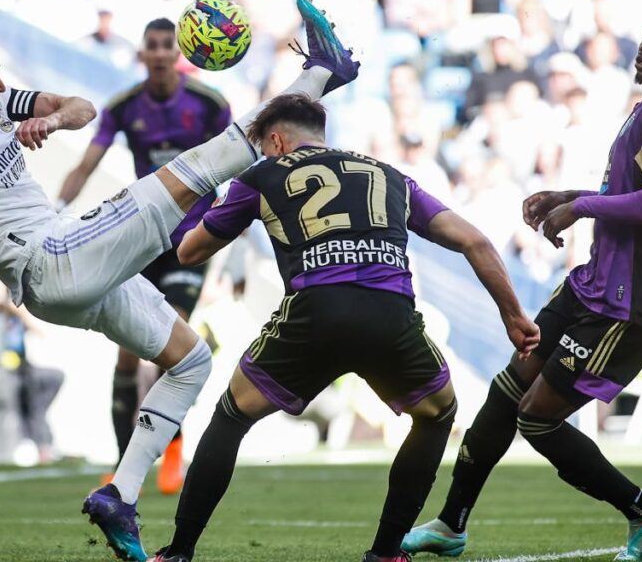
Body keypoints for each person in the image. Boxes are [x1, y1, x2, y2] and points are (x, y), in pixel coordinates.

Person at [0, 0, 359, 562]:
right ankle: (320, 73)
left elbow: (81, 107)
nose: (0, 85)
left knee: (191, 361)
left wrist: (51, 118)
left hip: (68, 274)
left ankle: (120, 494)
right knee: (206, 163)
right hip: (49, 260)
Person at [149, 93, 539, 562]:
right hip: (389, 314)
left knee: (232, 416)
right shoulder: (389, 175)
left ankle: (179, 553)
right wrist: (514, 315)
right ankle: (386, 553)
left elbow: (190, 252)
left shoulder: (261, 176)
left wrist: (205, 198)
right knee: (437, 414)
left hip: (316, 310)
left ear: (276, 141)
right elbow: (474, 239)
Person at [404, 8, 642, 562]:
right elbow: (636, 190)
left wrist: (581, 208)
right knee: (506, 390)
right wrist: (568, 196)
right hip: (593, 285)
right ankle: (451, 524)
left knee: (536, 418)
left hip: (626, 302)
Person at [58, 16, 232, 494]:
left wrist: (230, 225)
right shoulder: (123, 107)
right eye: (151, 45)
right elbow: (86, 164)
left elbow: (239, 163)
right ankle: (122, 461)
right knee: (128, 356)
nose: (158, 53)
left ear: (179, 53)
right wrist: (55, 210)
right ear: (141, 53)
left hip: (192, 240)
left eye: (166, 46)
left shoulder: (209, 105)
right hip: (145, 237)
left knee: (166, 345)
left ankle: (173, 448)